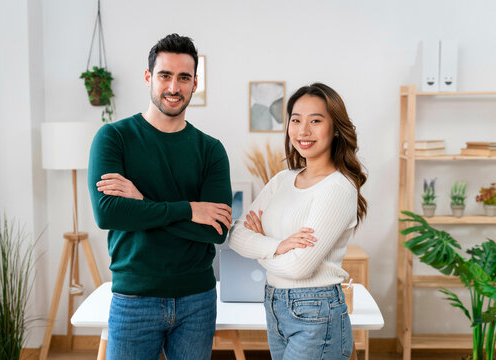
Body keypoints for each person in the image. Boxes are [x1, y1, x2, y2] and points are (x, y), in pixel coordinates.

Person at [87, 33, 232, 360]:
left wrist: (140, 202)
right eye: (165, 75)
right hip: (134, 297)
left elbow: (215, 230)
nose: (173, 87)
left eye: (184, 78)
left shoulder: (210, 150)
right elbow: (108, 213)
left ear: (195, 83)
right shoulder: (113, 138)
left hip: (197, 299)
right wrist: (189, 209)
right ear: (148, 77)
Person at [228, 83, 367, 360]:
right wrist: (280, 245)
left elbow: (300, 266)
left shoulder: (338, 188)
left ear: (336, 128)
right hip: (275, 305)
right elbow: (235, 235)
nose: (303, 131)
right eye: (296, 120)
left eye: (315, 120)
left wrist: (261, 248)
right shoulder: (282, 180)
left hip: (317, 310)